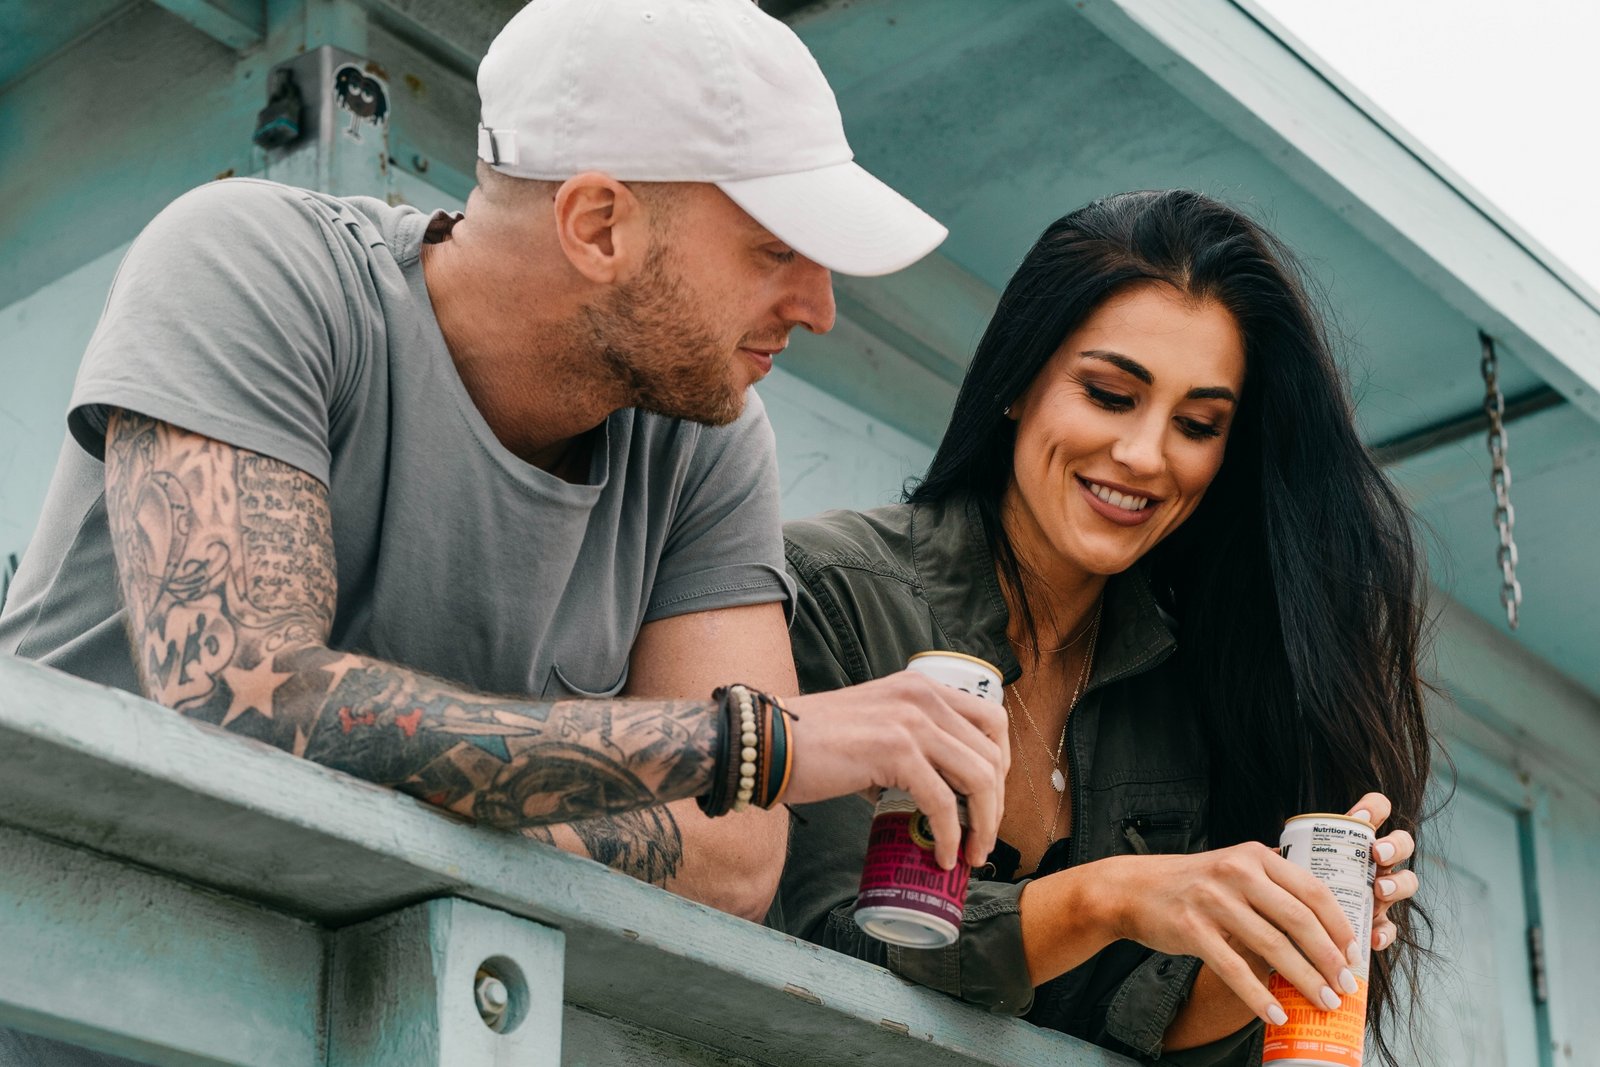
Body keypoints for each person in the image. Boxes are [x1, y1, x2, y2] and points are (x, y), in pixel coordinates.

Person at [0, 3, 1012, 1060]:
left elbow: (737, 858)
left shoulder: (705, 439)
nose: (819, 308)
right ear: (598, 225)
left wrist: (419, 764)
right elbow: (239, 697)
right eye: (775, 251)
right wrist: (745, 744)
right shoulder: (252, 266)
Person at [773, 190, 1432, 1066]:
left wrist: (1280, 940)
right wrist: (1109, 897)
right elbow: (817, 958)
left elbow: (1125, 1027)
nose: (1146, 454)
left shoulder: (1197, 696)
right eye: (1110, 393)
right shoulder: (832, 593)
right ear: (1017, 380)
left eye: (1198, 424)